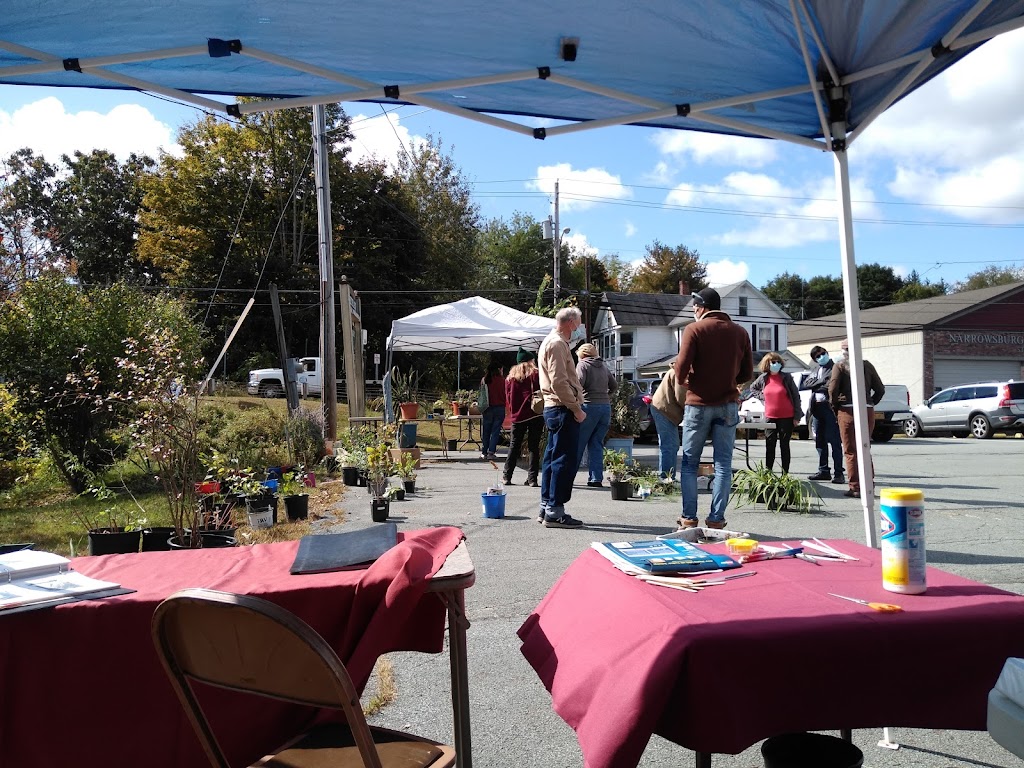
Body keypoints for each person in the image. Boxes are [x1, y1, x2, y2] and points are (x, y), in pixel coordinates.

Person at [672, 287, 753, 530]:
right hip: (727, 404)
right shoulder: (740, 332)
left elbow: (681, 368)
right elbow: (748, 373)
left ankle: (689, 517)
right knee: (722, 464)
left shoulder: (694, 329)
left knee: (689, 462)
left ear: (702, 307)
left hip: (698, 404)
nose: (694, 311)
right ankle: (716, 519)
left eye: (695, 307)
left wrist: (686, 378)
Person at [537, 306, 587, 528]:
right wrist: (576, 408)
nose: (580, 327)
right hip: (562, 408)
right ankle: (555, 511)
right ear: (571, 323)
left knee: (551, 459)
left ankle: (547, 506)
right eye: (579, 322)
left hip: (554, 408)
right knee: (563, 461)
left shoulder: (553, 342)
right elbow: (559, 381)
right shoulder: (557, 344)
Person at [828, 339, 885, 499]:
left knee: (851, 450)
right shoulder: (866, 365)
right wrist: (870, 402)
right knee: (865, 448)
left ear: (843, 350)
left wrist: (835, 407)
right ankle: (869, 485)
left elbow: (832, 389)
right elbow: (880, 389)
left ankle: (855, 487)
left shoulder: (839, 366)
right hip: (866, 409)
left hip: (847, 410)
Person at [748, 352, 803, 474]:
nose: (776, 364)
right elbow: (753, 388)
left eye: (778, 362)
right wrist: (762, 396)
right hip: (770, 417)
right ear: (767, 364)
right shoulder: (763, 378)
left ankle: (785, 474)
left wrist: (797, 415)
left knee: (784, 446)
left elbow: (795, 396)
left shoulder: (786, 377)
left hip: (787, 416)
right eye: (773, 362)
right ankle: (768, 473)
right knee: (770, 445)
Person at [800, 345, 845, 484]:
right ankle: (823, 470)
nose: (821, 357)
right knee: (819, 441)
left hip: (830, 408)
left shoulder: (835, 368)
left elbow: (830, 386)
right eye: (817, 356)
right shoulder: (816, 369)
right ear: (814, 360)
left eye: (823, 353)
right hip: (816, 409)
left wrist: (817, 384)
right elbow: (805, 383)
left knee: (835, 441)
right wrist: (819, 383)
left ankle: (839, 473)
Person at [574, 342, 616, 487]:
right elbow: (614, 385)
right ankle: (596, 478)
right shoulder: (604, 366)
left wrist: (576, 401)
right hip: (605, 408)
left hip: (588, 406)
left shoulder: (583, 365)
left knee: (578, 443)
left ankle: (568, 478)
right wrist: (605, 396)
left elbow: (578, 384)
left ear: (582, 354)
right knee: (596, 444)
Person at [502, 348, 543, 487]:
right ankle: (532, 479)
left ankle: (507, 476)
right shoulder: (536, 374)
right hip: (535, 413)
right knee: (534, 447)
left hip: (517, 416)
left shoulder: (510, 377)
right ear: (530, 360)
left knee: (514, 446)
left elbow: (507, 397)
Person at [649, 367, 687, 480]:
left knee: (672, 445)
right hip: (663, 409)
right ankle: (666, 478)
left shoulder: (680, 371)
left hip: (664, 408)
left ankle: (668, 477)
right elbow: (682, 397)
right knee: (669, 445)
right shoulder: (679, 372)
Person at [478, 361, 506, 460]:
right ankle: (491, 451)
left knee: (486, 430)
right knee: (495, 430)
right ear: (499, 369)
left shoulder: (485, 380)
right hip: (500, 408)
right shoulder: (503, 381)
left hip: (487, 407)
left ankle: (484, 451)